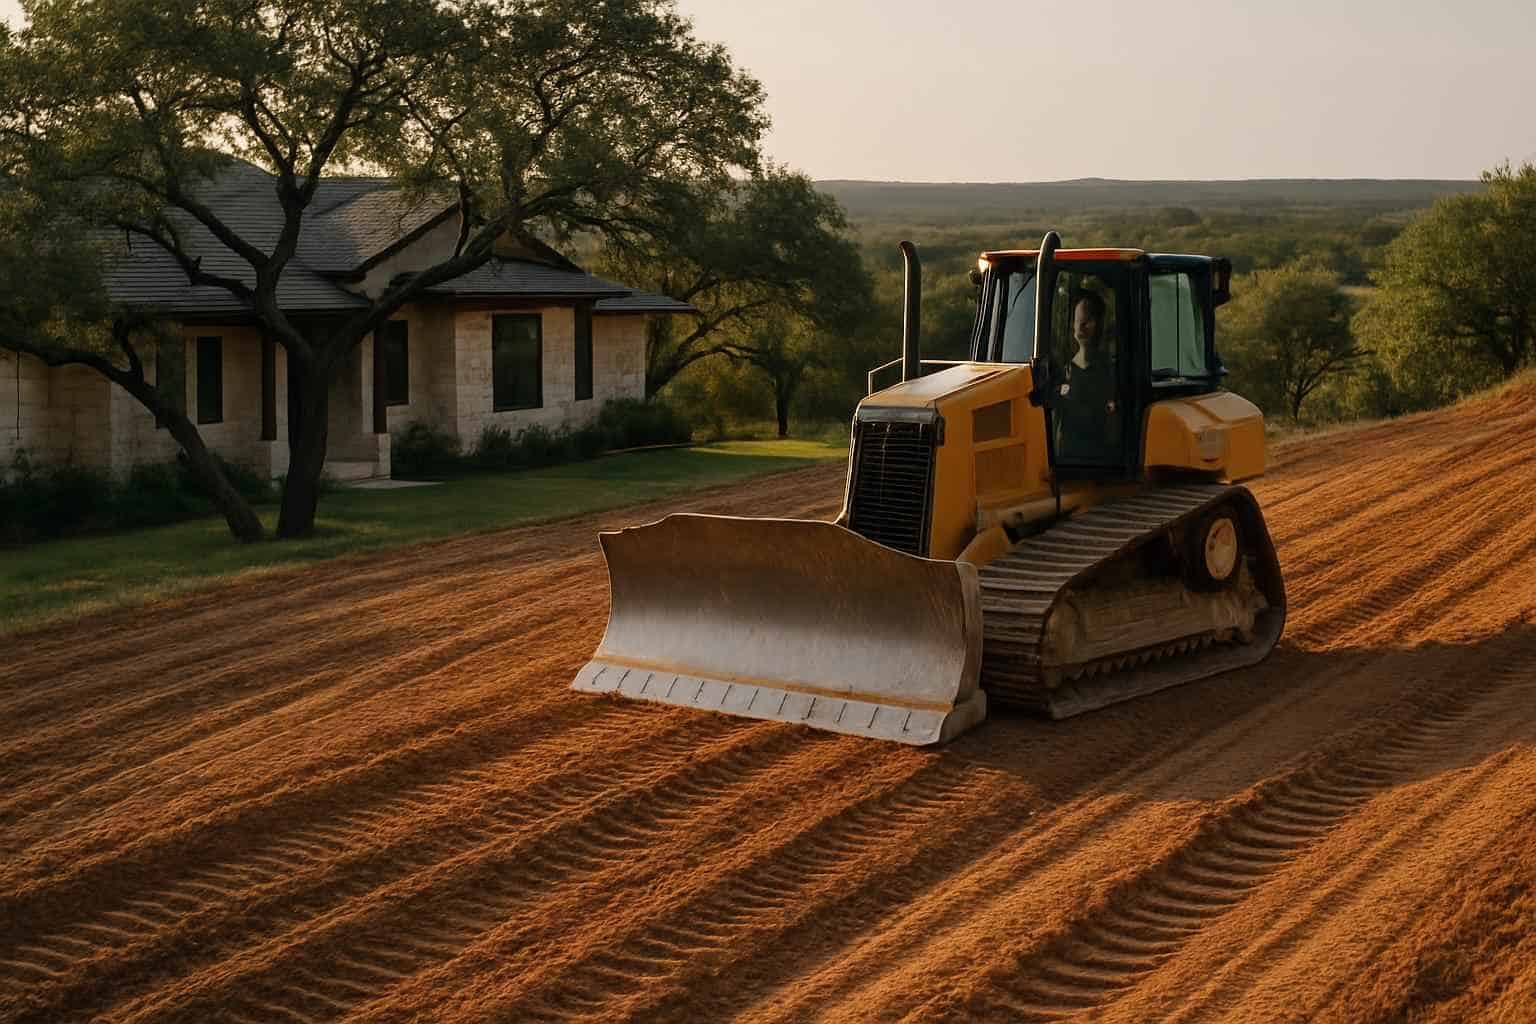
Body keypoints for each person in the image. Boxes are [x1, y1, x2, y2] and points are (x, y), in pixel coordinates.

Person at [1054, 290, 1121, 461]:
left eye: (1088, 320)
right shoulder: (1064, 373)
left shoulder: (1111, 372)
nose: (1082, 326)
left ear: (1099, 324)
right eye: (1078, 321)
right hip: (1069, 458)